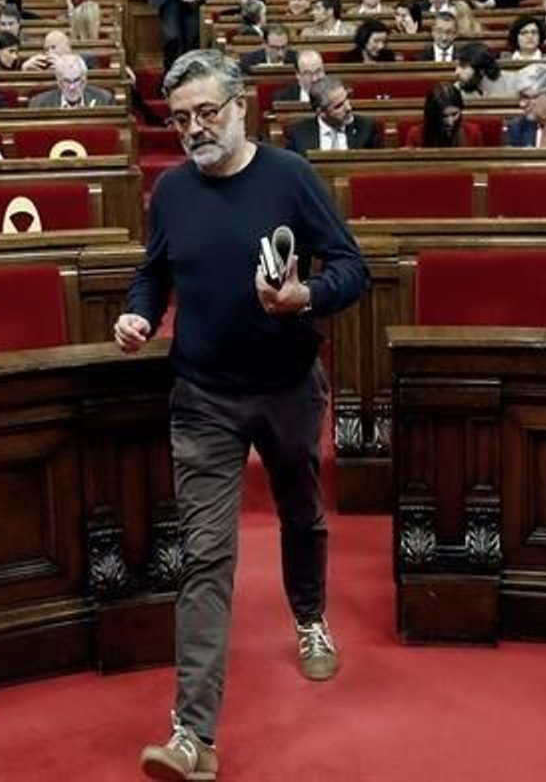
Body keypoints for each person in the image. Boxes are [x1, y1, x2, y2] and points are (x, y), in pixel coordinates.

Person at [115, 50, 368, 781]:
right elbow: (154, 272)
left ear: (240, 107)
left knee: (301, 514)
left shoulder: (290, 176)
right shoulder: (170, 190)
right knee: (205, 558)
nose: (194, 129)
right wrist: (139, 315)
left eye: (206, 113)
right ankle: (193, 735)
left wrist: (304, 299)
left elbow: (350, 266)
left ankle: (312, 618)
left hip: (288, 385)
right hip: (202, 394)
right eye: (182, 118)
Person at [285, 76, 381, 154]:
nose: (348, 108)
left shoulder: (366, 128)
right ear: (321, 112)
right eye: (339, 106)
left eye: (346, 99)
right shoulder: (298, 134)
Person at [407, 81, 484, 147]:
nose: (450, 122)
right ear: (432, 115)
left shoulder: (473, 133)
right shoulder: (416, 135)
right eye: (444, 116)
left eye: (454, 115)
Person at [29, 54, 115, 109]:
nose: (72, 87)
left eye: (76, 80)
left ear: (84, 80)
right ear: (59, 82)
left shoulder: (104, 100)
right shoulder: (39, 104)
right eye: (67, 81)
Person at [453, 42, 519, 99]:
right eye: (456, 67)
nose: (456, 72)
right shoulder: (457, 89)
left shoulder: (512, 83)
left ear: (482, 69)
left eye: (463, 66)